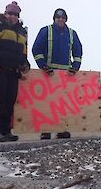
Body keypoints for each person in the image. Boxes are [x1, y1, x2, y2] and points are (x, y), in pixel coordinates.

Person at [0, 1, 30, 142]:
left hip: (13, 72)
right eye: (10, 13)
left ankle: (4, 131)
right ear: (5, 13)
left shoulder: (21, 33)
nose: (13, 16)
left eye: (16, 14)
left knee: (9, 102)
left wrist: (24, 65)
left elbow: (23, 54)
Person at [32, 8, 82, 140]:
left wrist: (75, 67)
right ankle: (46, 130)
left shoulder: (72, 33)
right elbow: (36, 49)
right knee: (48, 104)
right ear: (54, 19)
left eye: (63, 17)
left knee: (63, 104)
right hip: (48, 73)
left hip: (66, 75)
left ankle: (62, 130)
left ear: (66, 19)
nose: (60, 20)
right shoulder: (46, 31)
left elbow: (78, 52)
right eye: (58, 17)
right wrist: (43, 66)